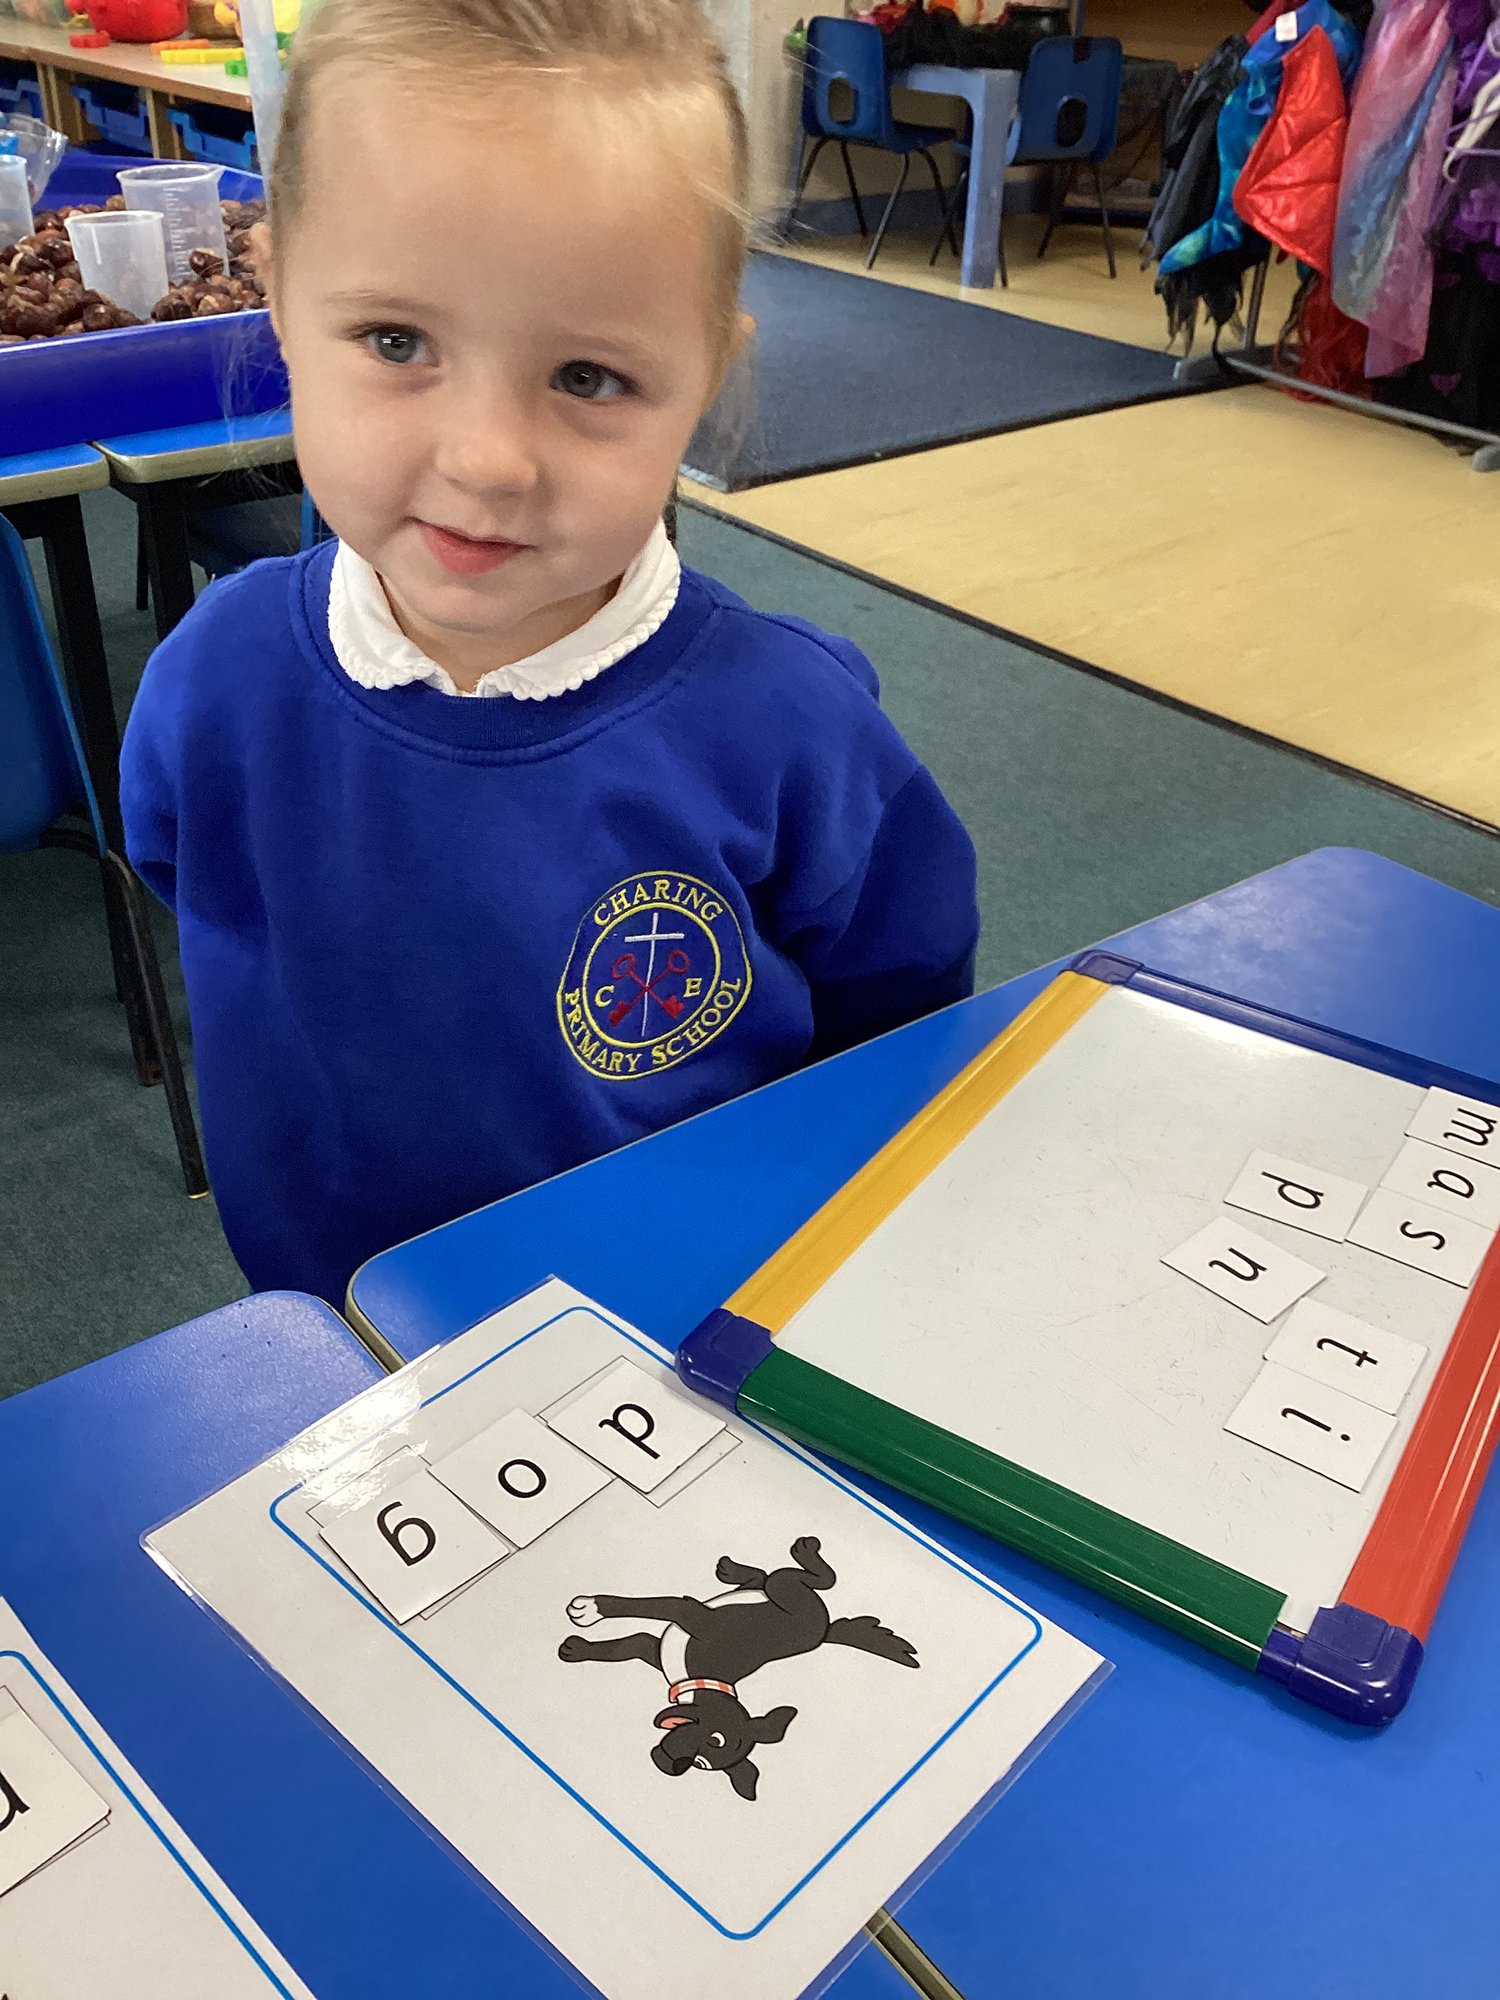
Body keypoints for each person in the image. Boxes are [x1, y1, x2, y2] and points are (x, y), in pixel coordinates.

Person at [121, 0, 980, 1306]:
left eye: (587, 377)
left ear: (704, 376)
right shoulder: (212, 683)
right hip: (335, 1333)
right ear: (283, 298)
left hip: (689, 1320)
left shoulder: (791, 727)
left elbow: (908, 1013)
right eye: (397, 342)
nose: (486, 462)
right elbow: (197, 888)